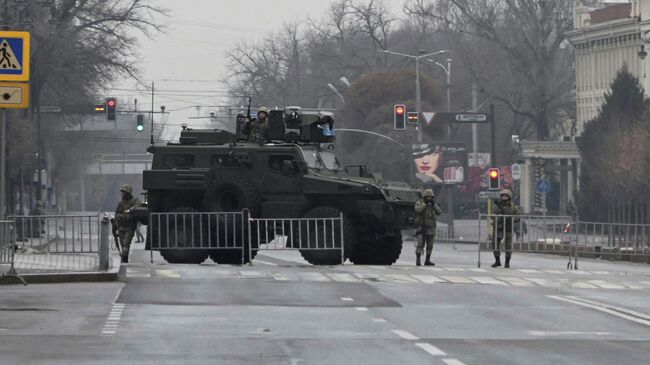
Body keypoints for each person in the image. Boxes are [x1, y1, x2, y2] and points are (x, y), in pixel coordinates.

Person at [491, 189, 520, 268]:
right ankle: (497, 261)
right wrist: (498, 215)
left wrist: (510, 218)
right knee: (495, 244)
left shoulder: (513, 207)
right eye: (503, 196)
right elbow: (492, 215)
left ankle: (507, 262)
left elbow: (517, 216)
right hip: (498, 227)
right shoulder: (497, 206)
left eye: (506, 196)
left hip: (508, 228)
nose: (504, 197)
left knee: (508, 246)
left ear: (509, 197)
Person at [414, 188, 442, 266]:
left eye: (431, 197)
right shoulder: (420, 203)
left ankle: (427, 260)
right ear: (424, 196)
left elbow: (439, 212)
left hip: (431, 228)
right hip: (422, 227)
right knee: (420, 244)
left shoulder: (433, 205)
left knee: (430, 245)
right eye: (428, 197)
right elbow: (418, 210)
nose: (429, 198)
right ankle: (418, 260)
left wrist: (434, 205)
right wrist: (424, 204)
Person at [114, 184, 140, 263]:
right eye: (122, 192)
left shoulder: (134, 201)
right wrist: (116, 224)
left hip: (129, 227)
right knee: (123, 245)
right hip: (121, 227)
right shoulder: (120, 203)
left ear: (128, 192)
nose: (122, 193)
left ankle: (124, 261)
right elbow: (117, 213)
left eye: (124, 192)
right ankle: (124, 259)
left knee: (126, 244)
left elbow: (138, 205)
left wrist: (130, 210)